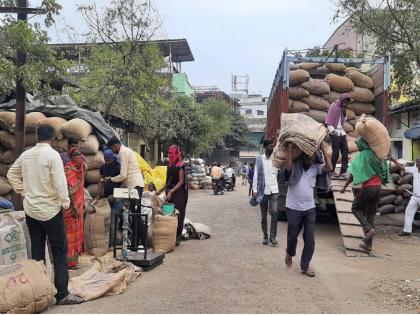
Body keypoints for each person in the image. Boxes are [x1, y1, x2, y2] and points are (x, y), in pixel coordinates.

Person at [7, 124, 84, 305]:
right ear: (52, 139)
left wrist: (23, 191)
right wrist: (65, 203)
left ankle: (39, 291)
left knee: (37, 250)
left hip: (31, 210)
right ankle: (62, 293)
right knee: (59, 250)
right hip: (50, 210)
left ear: (36, 136)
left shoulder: (25, 155)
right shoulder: (53, 156)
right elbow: (60, 183)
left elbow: (11, 174)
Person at [284, 143, 332, 277]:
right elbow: (288, 167)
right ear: (303, 157)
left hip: (310, 207)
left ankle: (305, 266)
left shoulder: (315, 168)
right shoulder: (295, 166)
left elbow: (329, 167)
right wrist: (289, 150)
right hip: (293, 207)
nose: (310, 162)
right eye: (309, 159)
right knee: (292, 236)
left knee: (309, 239)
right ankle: (289, 252)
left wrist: (323, 150)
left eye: (312, 159)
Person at [340, 138, 390, 252]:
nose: (357, 147)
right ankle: (368, 246)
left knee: (355, 209)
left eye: (358, 145)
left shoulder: (363, 155)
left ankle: (368, 229)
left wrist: (344, 187)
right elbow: (384, 169)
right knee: (371, 215)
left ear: (362, 144)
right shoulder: (376, 154)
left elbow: (353, 173)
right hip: (378, 187)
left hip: (369, 187)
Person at [106, 136, 146, 249]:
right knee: (134, 215)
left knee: (136, 216)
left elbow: (123, 175)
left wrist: (111, 179)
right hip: (134, 185)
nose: (114, 152)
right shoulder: (127, 150)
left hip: (135, 185)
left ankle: (143, 242)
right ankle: (135, 243)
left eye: (113, 149)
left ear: (116, 145)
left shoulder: (123, 152)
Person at [60, 137, 87, 269]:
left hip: (79, 207)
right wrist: (74, 207)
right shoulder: (68, 170)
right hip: (70, 209)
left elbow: (82, 186)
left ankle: (74, 261)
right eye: (75, 155)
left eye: (79, 154)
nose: (79, 157)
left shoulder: (80, 169)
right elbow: (68, 191)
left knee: (77, 234)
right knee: (69, 235)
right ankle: (67, 262)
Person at [157, 145, 188, 245]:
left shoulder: (180, 166)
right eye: (169, 153)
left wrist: (171, 192)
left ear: (176, 154)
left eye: (171, 153)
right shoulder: (169, 166)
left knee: (178, 215)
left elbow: (181, 182)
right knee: (169, 215)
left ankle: (177, 237)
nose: (170, 155)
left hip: (178, 194)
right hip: (170, 193)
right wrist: (160, 190)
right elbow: (167, 182)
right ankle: (170, 236)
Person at [253, 139, 279, 247]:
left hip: (274, 190)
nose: (272, 148)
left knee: (274, 212)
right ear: (264, 147)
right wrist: (255, 190)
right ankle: (265, 236)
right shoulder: (259, 159)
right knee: (264, 216)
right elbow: (256, 175)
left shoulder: (276, 159)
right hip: (263, 191)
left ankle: (272, 237)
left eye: (273, 146)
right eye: (269, 146)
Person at [97, 149, 122, 247]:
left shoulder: (118, 167)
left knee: (113, 223)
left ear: (112, 158)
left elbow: (123, 183)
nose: (107, 162)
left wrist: (115, 196)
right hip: (106, 199)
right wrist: (98, 195)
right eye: (105, 160)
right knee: (105, 223)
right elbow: (101, 182)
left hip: (116, 199)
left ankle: (112, 245)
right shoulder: (103, 167)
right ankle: (106, 244)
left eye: (108, 160)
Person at [325, 93, 352, 178]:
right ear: (342, 100)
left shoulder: (343, 108)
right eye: (345, 102)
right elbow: (328, 120)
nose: (346, 104)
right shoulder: (334, 105)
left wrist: (344, 111)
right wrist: (333, 131)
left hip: (342, 132)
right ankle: (331, 171)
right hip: (334, 132)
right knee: (336, 153)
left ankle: (343, 172)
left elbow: (344, 120)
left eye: (347, 102)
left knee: (345, 152)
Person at [392, 157, 420, 237]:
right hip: (415, 197)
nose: (417, 164)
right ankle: (407, 231)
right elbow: (402, 167)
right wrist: (393, 160)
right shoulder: (414, 169)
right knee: (408, 211)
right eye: (416, 162)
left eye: (418, 163)